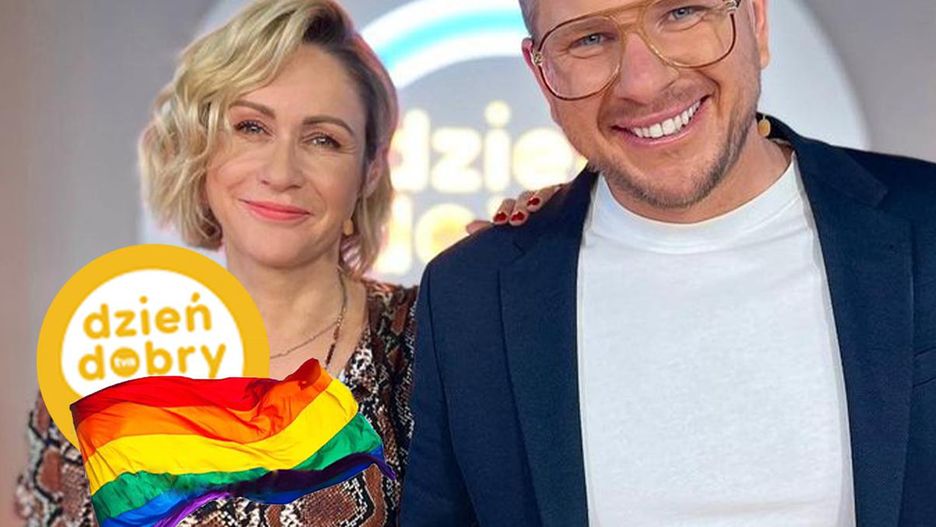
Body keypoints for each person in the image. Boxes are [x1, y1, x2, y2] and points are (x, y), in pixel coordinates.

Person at [14, 1, 551, 525]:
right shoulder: (108, 351)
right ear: (200, 146)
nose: (281, 172)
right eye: (252, 127)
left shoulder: (435, 340)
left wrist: (553, 255)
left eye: (323, 139)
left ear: (368, 171)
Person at [401, 0, 936, 525]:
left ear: (756, 19)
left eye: (681, 13)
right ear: (543, 76)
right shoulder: (470, 296)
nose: (643, 82)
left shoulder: (926, 226)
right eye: (589, 39)